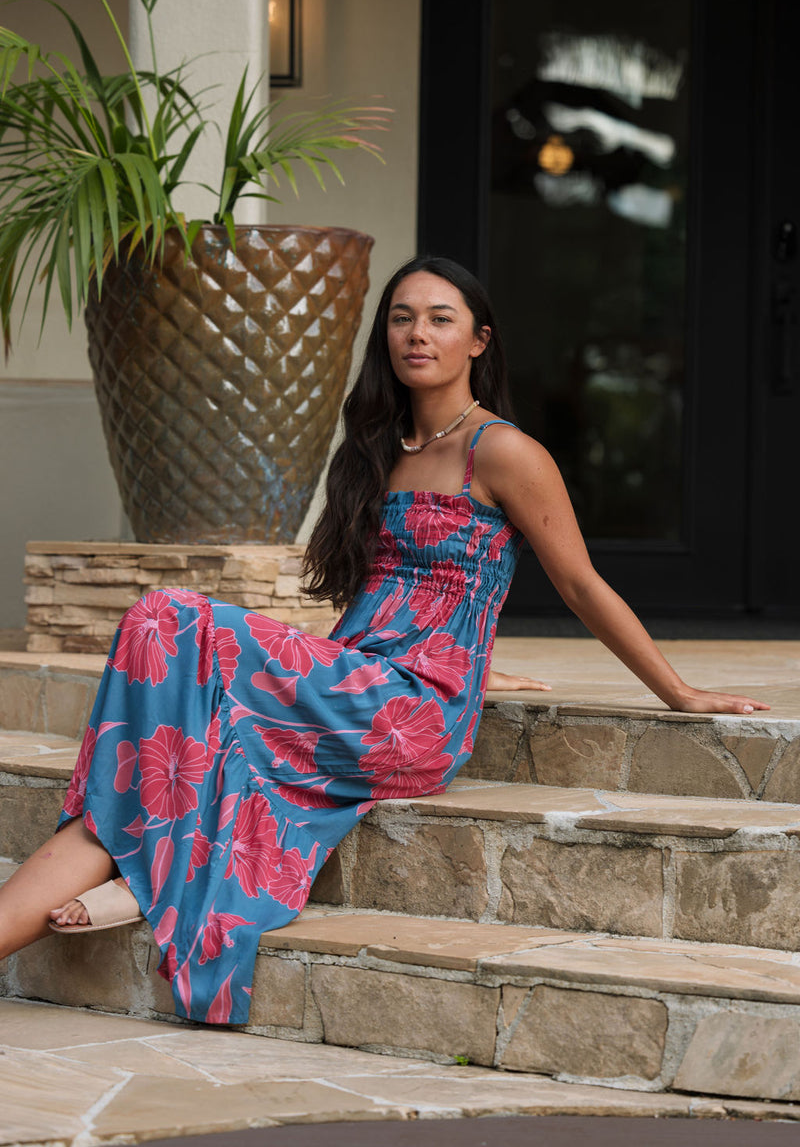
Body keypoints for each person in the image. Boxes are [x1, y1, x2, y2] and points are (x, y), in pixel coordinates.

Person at [0, 256, 768, 1025]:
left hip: (414, 711)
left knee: (167, 618)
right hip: (360, 679)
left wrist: (676, 689)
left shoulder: (502, 452)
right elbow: (380, 598)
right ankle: (143, 862)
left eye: (440, 318)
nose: (418, 333)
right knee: (170, 703)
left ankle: (144, 866)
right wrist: (452, 662)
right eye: (402, 316)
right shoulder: (373, 449)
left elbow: (580, 584)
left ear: (479, 341)